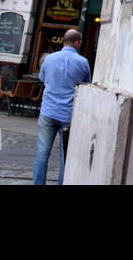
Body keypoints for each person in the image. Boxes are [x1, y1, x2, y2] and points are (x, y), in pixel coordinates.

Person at [33, 29, 91, 185]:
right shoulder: (83, 62)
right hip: (68, 114)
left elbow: (42, 78)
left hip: (48, 112)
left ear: (63, 41)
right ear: (78, 42)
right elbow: (86, 86)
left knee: (42, 154)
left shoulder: (49, 59)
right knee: (65, 157)